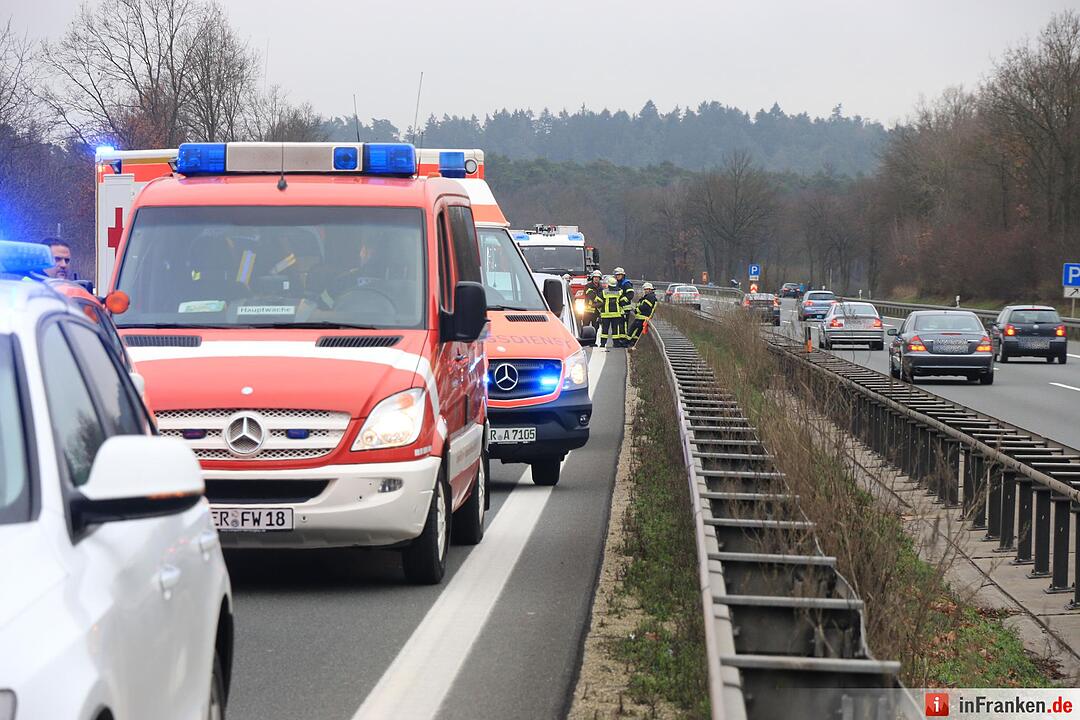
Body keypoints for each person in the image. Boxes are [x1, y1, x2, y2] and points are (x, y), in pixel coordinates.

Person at [598, 275, 629, 349]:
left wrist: (600, 310)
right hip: (616, 314)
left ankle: (602, 344)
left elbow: (599, 301)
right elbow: (623, 300)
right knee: (615, 330)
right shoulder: (619, 291)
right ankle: (616, 344)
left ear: (608, 284)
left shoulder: (604, 292)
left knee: (604, 330)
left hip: (606, 314)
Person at [627, 281, 658, 348]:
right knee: (635, 331)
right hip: (640, 317)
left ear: (650, 289)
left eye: (646, 289)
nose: (645, 291)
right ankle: (631, 342)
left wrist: (637, 310)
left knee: (633, 330)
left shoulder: (650, 297)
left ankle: (629, 342)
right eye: (644, 289)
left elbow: (645, 306)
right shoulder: (648, 297)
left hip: (643, 318)